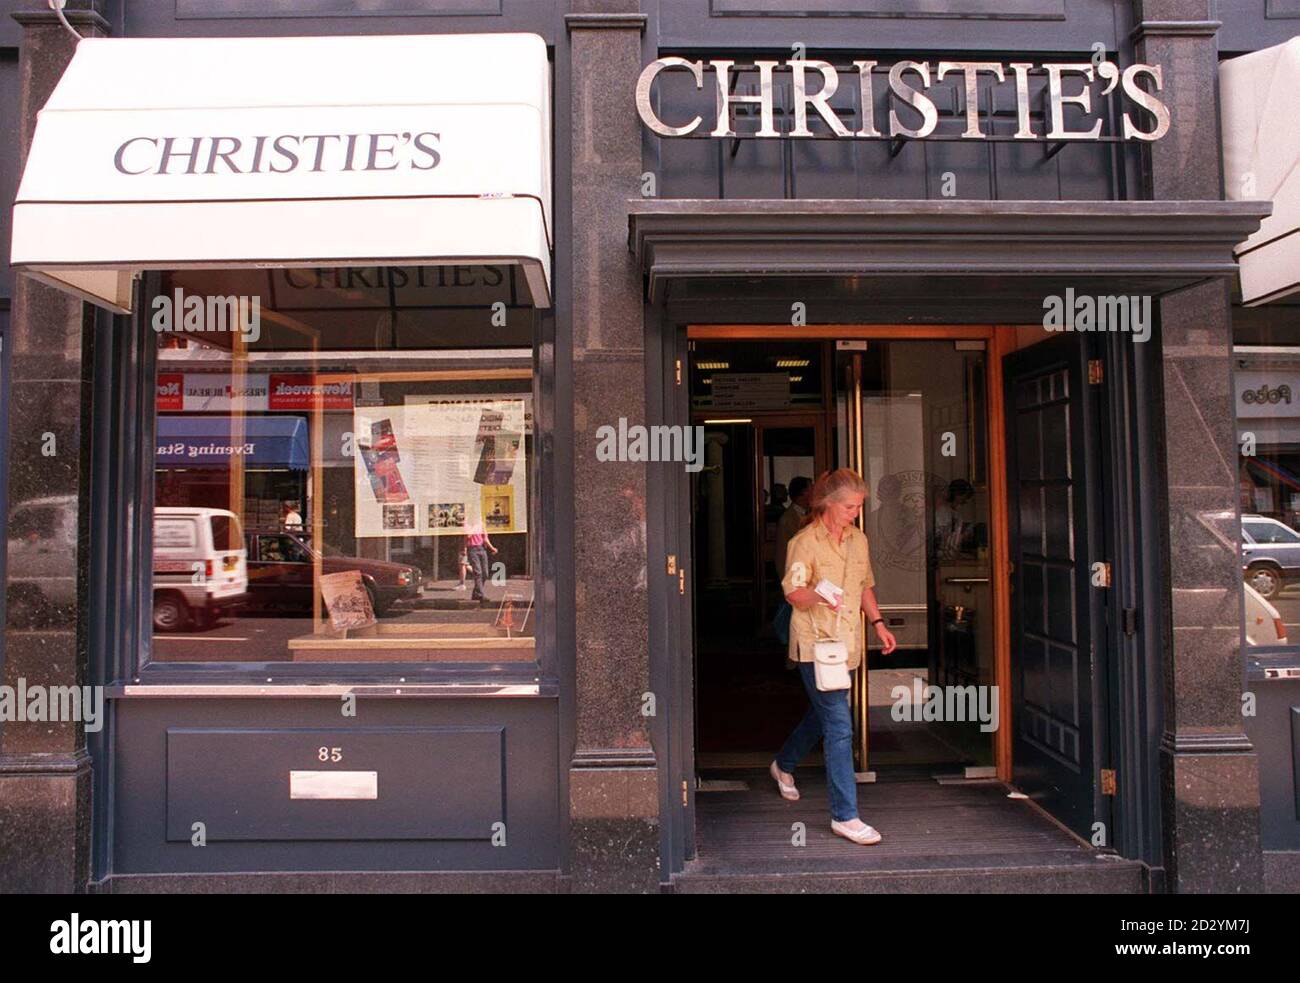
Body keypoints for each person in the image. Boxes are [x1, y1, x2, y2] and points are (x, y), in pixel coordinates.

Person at [770, 468, 898, 846]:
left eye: (858, 507)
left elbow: (865, 586)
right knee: (840, 726)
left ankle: (784, 764)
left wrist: (878, 623)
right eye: (848, 507)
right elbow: (793, 593)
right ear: (827, 504)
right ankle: (846, 816)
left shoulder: (859, 540)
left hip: (848, 643)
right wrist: (820, 596)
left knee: (824, 714)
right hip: (815, 644)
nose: (854, 514)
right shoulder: (804, 542)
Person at [772, 475, 813, 646]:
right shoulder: (787, 520)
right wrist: (787, 584)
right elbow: (782, 556)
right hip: (797, 583)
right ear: (803, 493)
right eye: (812, 488)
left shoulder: (811, 515)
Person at [464, 519, 498, 602]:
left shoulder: (481, 524)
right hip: (472, 549)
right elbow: (467, 536)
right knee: (478, 572)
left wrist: (492, 548)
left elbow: (485, 538)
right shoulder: (467, 524)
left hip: (482, 549)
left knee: (485, 573)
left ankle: (476, 593)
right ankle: (480, 594)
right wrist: (475, 527)